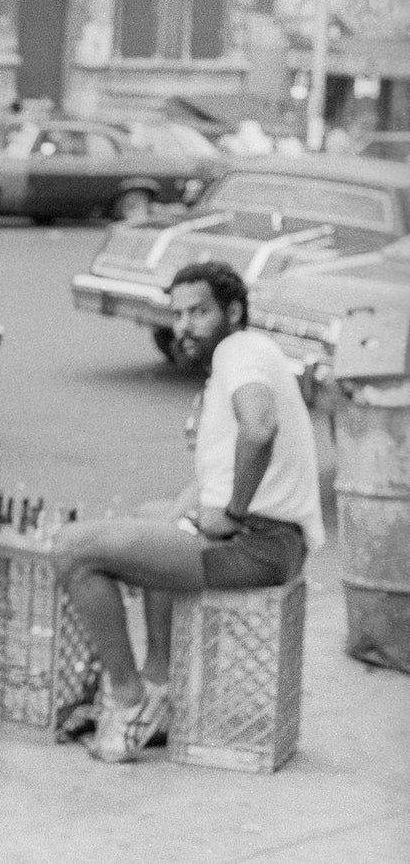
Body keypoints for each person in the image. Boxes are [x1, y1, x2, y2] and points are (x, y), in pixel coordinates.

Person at [52, 260, 322, 764]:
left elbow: (259, 429)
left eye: (198, 312)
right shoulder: (249, 357)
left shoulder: (238, 351)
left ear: (234, 311)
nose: (184, 326)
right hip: (273, 540)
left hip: (260, 543)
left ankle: (130, 698)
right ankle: (160, 684)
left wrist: (234, 514)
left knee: (73, 549)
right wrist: (173, 519)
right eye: (178, 315)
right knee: (157, 518)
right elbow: (211, 479)